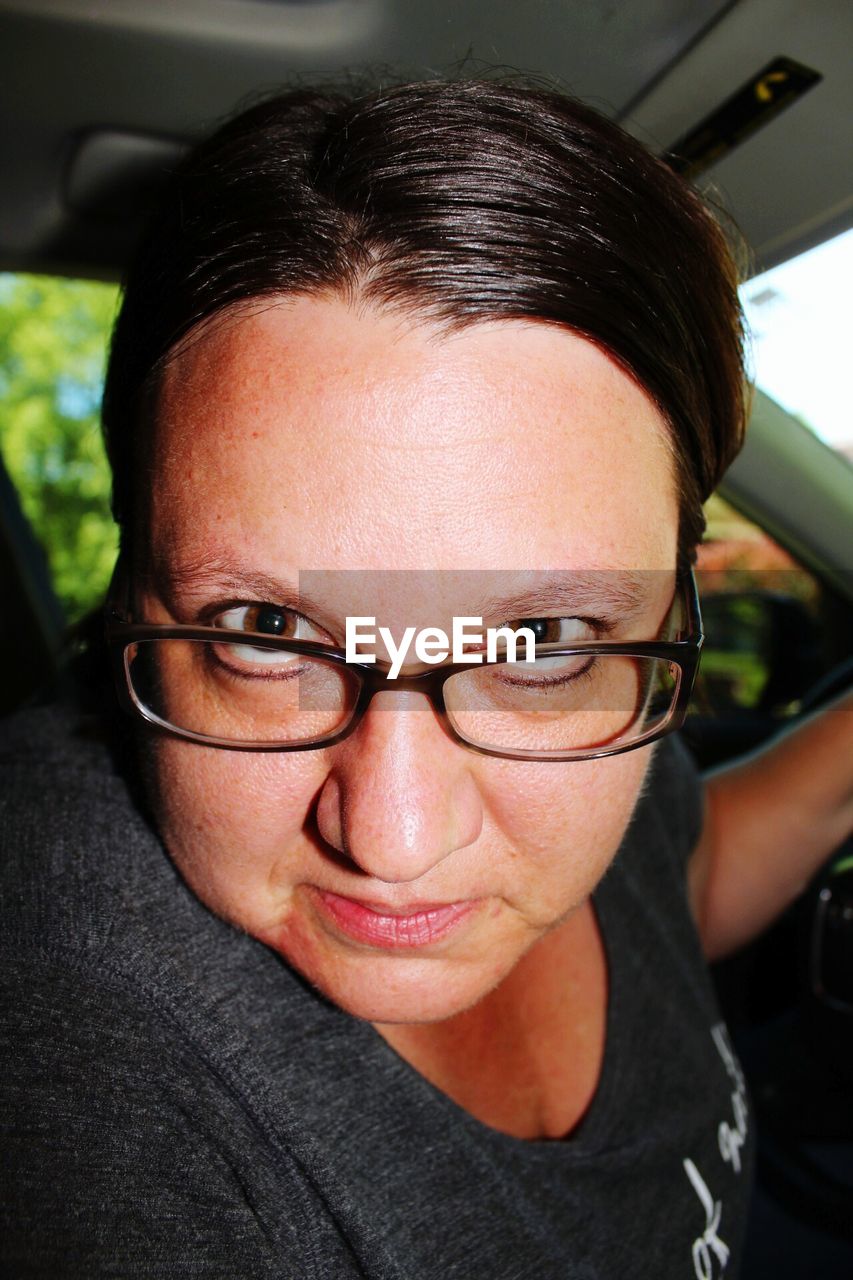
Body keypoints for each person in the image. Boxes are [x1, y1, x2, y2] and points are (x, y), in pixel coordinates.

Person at [1, 79, 850, 1278]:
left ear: (676, 600)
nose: (394, 839)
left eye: (542, 638)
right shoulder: (69, 1064)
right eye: (259, 628)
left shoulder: (617, 713)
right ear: (129, 596)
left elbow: (688, 869)